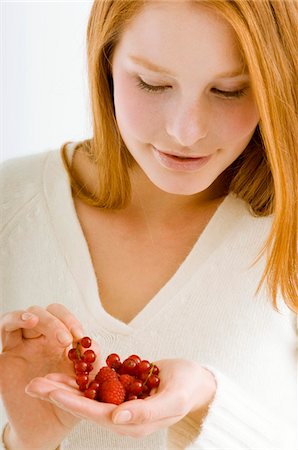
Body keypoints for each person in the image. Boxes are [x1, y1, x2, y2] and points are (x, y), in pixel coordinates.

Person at [0, 0, 297, 449]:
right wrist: (27, 441)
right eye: (153, 83)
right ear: (106, 63)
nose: (186, 130)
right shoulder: (11, 204)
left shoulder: (285, 228)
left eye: (230, 90)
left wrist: (205, 405)